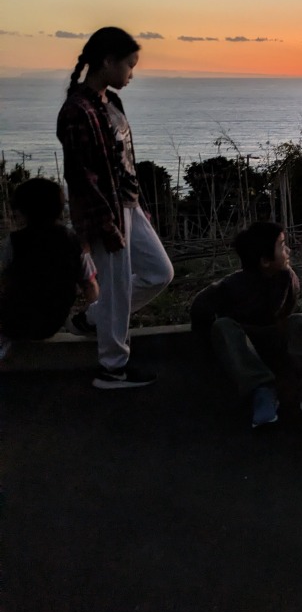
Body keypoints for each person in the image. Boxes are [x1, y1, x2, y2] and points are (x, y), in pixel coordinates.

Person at [56, 26, 174, 388]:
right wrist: (105, 224)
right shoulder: (77, 110)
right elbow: (82, 176)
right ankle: (112, 367)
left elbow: (126, 163)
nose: (132, 75)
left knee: (159, 272)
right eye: (129, 65)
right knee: (116, 286)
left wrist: (139, 206)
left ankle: (93, 319)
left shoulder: (112, 103)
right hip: (105, 212)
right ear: (108, 61)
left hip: (128, 206)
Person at [190, 221, 302, 429]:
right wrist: (206, 344)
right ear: (265, 261)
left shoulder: (288, 278)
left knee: (298, 322)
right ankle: (262, 390)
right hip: (246, 346)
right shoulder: (231, 286)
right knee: (223, 326)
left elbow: (287, 310)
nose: (288, 251)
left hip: (275, 340)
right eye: (282, 246)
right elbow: (200, 306)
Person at [0, 177, 99, 359]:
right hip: (53, 321)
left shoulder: (14, 242)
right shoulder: (74, 241)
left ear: (24, 211)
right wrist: (97, 318)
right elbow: (90, 284)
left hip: (15, 323)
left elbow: (5, 279)